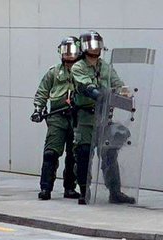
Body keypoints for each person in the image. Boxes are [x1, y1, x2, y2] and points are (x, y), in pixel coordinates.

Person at [71, 31, 134, 205]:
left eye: (98, 45)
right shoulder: (78, 67)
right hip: (86, 118)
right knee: (84, 153)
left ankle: (115, 192)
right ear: (84, 47)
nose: (95, 49)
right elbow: (86, 85)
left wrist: (125, 92)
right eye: (92, 45)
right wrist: (98, 92)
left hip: (104, 117)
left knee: (109, 153)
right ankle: (84, 191)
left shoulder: (105, 67)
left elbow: (117, 83)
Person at [32, 37, 82, 201]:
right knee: (51, 153)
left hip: (77, 117)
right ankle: (46, 188)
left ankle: (70, 188)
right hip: (57, 117)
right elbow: (42, 91)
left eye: (71, 51)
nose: (68, 56)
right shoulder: (53, 72)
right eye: (65, 51)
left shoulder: (84, 72)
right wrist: (38, 109)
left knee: (74, 155)